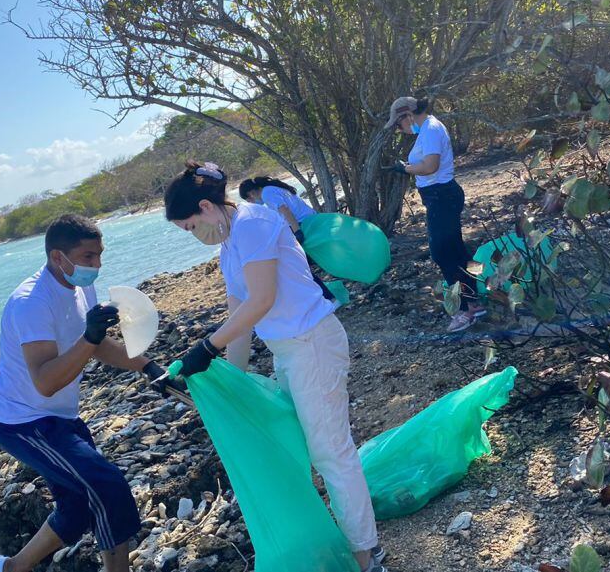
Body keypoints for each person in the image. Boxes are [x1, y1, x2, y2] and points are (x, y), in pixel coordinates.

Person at [165, 162, 387, 572]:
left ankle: (365, 554)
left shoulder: (252, 224)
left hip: (313, 342)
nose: (194, 236)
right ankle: (350, 541)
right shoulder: (230, 243)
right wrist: (230, 379)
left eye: (190, 227)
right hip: (290, 350)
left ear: (206, 207)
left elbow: (261, 300)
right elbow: (239, 318)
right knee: (300, 441)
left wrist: (205, 348)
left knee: (330, 452)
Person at [0, 214, 177, 572]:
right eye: (88, 257)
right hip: (24, 423)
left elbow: (97, 344)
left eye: (100, 255)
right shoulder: (30, 303)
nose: (97, 265)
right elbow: (45, 380)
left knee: (76, 508)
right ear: (59, 257)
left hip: (60, 417)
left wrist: (149, 367)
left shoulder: (80, 287)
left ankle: (10, 568)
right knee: (107, 487)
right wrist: (89, 337)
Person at [384, 96, 485, 332]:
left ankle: (464, 311)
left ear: (407, 115)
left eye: (398, 125)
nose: (400, 130)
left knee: (443, 253)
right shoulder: (428, 129)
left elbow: (430, 166)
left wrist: (405, 168)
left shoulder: (429, 129)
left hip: (442, 196)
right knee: (455, 251)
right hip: (439, 197)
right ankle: (474, 303)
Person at [238, 176, 336, 302]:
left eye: (248, 200)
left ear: (251, 193)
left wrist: (297, 232)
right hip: (311, 220)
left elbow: (285, 210)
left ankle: (328, 298)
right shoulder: (274, 188)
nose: (251, 203)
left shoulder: (267, 193)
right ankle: (326, 296)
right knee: (307, 264)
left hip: (302, 225)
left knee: (301, 266)